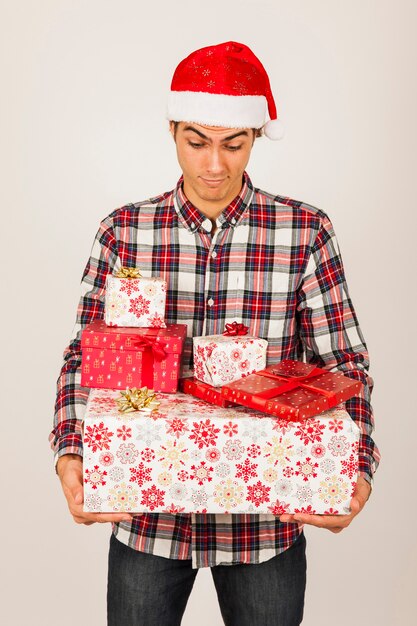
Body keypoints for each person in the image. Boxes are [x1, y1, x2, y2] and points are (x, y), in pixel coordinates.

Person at [50, 41, 380, 626]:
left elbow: (345, 363)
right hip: (147, 515)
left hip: (265, 520)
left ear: (255, 138)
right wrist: (71, 450)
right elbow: (84, 357)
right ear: (171, 129)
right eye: (196, 141)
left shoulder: (305, 231)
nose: (214, 166)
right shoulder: (123, 231)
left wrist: (357, 467)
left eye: (234, 144)